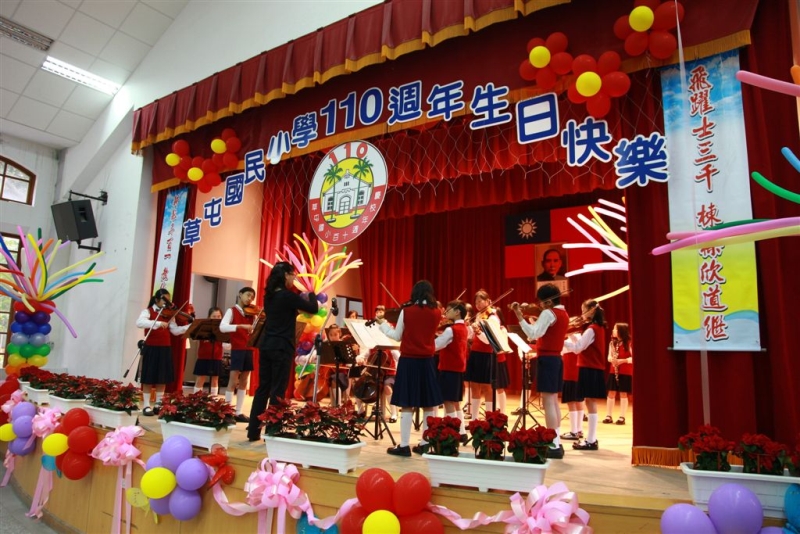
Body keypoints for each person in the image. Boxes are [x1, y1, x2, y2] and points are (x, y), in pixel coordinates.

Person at [247, 262, 318, 441]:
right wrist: (311, 293)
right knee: (278, 390)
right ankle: (272, 431)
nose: (294, 278)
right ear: (286, 275)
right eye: (292, 275)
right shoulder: (287, 296)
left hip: (266, 346)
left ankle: (253, 431)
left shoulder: (269, 296)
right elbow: (313, 308)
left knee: (263, 388)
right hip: (282, 347)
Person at [377, 280, 443, 457]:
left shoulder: (406, 311)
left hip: (409, 361)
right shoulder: (437, 312)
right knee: (428, 403)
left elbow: (396, 336)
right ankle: (425, 443)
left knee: (407, 403)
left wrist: (383, 324)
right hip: (427, 361)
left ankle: (404, 445)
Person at [511, 283, 570, 459]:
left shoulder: (549, 313)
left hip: (547, 359)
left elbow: (533, 334)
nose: (540, 305)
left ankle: (553, 444)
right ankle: (556, 441)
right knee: (553, 401)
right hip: (556, 359)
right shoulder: (564, 313)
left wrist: (519, 316)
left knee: (548, 402)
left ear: (548, 302)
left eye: (542, 302)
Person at [136, 289, 191, 417]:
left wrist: (189, 327)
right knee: (148, 378)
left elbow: (175, 331)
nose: (167, 303)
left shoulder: (169, 314)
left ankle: (158, 405)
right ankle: (146, 405)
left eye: (168, 300)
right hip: (151, 348)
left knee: (162, 378)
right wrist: (158, 323)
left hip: (165, 349)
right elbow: (139, 323)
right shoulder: (148, 311)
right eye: (164, 299)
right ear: (156, 300)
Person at [563, 299, 607, 451]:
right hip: (593, 367)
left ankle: (591, 439)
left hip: (590, 367)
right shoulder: (598, 327)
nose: (582, 314)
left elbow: (577, 348)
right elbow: (582, 345)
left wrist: (561, 341)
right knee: (590, 402)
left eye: (584, 310)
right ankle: (590, 439)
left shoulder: (591, 329)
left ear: (592, 310)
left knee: (590, 402)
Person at [465, 290, 508, 419]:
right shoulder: (479, 315)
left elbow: (489, 340)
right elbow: (471, 336)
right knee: (474, 386)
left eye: (480, 301)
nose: (477, 304)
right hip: (475, 353)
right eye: (476, 302)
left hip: (486, 355)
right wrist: (468, 327)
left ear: (488, 301)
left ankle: (489, 418)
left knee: (487, 387)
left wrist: (478, 331)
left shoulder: (493, 317)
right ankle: (474, 418)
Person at [220, 287, 258, 423]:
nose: (250, 299)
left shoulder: (252, 314)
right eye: (248, 295)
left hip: (249, 348)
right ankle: (227, 412)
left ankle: (239, 412)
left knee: (244, 380)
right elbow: (222, 327)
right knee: (233, 380)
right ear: (240, 294)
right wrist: (240, 326)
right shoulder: (232, 311)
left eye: (252, 297)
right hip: (237, 348)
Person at [434, 300, 469, 440]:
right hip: (458, 369)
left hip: (448, 369)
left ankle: (453, 432)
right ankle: (462, 432)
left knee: (447, 401)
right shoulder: (464, 328)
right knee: (455, 402)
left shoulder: (450, 330)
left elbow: (436, 345)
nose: (446, 312)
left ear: (458, 312)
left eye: (448, 310)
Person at [193, 307, 228, 396]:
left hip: (216, 357)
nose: (216, 318)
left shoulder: (222, 328)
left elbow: (226, 345)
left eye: (219, 316)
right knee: (201, 378)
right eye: (214, 316)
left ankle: (214, 399)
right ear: (209, 317)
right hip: (203, 356)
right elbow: (194, 338)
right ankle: (196, 399)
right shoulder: (203, 327)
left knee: (215, 379)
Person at [604, 322, 633, 425]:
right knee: (611, 392)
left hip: (625, 371)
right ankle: (608, 415)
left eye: (615, 329)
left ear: (621, 331)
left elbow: (633, 358)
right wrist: (612, 359)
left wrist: (622, 361)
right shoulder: (612, 343)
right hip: (614, 370)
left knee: (623, 393)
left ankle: (622, 416)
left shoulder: (629, 343)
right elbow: (609, 357)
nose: (613, 331)